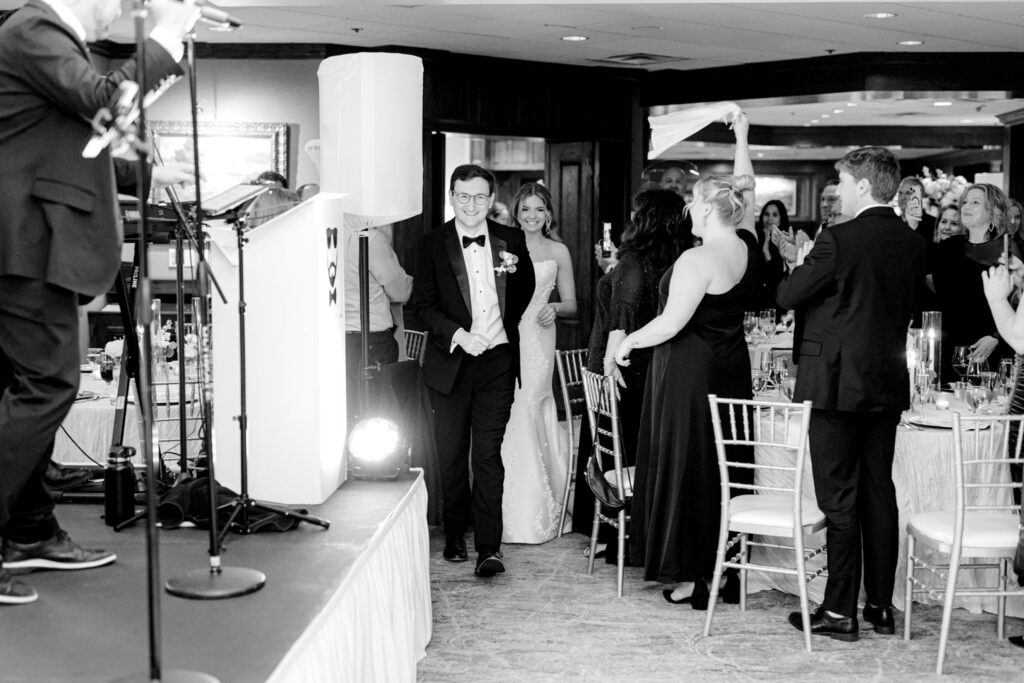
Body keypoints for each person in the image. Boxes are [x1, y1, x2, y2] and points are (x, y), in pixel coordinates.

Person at [0, 0, 199, 605]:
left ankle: (29, 532)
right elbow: (107, 102)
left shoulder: (45, 39)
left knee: (26, 387)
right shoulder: (34, 29)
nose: (124, 8)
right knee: (49, 385)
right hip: (26, 244)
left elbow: (73, 147)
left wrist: (151, 178)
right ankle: (24, 530)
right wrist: (166, 36)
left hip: (32, 243)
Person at [776, 146, 927, 642]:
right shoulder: (911, 242)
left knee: (839, 499)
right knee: (879, 492)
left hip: (836, 384)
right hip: (886, 381)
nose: (837, 191)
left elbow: (787, 295)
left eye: (841, 181)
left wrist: (800, 262)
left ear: (862, 185)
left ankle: (840, 611)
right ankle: (880, 606)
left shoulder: (838, 239)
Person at [614, 112, 757, 608]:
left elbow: (671, 323)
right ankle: (723, 568)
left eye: (694, 201)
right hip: (731, 372)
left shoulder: (698, 259)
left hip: (689, 376)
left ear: (711, 208)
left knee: (689, 469)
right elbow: (747, 187)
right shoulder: (744, 244)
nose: (688, 209)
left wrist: (628, 342)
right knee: (721, 467)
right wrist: (742, 137)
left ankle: (694, 574)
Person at [409, 164, 535, 577]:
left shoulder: (511, 240)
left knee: (486, 455)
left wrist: (500, 325)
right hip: (451, 364)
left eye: (480, 197)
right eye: (463, 196)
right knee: (451, 454)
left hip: (497, 363)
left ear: (491, 199)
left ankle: (488, 547)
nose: (471, 204)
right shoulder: (431, 244)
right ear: (452, 197)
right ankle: (454, 533)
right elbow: (421, 306)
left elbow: (525, 289)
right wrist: (460, 335)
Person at [571, 188, 692, 557]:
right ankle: (640, 531)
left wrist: (609, 364)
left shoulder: (634, 259)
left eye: (636, 213)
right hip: (652, 367)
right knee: (639, 452)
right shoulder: (679, 259)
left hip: (621, 367)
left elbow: (622, 317)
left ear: (647, 219)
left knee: (613, 451)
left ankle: (613, 534)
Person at [499, 183, 577, 544]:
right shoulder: (502, 247)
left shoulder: (558, 251)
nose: (532, 216)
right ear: (517, 213)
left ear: (549, 214)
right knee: (509, 412)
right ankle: (505, 511)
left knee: (530, 407)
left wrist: (555, 307)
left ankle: (540, 510)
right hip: (505, 337)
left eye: (539, 209)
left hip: (539, 339)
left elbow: (572, 304)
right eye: (526, 209)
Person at [931, 184, 1015, 384]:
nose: (966, 207)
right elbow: (939, 300)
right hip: (950, 349)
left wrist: (996, 337)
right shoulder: (947, 248)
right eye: (965, 202)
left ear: (993, 211)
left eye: (975, 202)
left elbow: (1018, 303)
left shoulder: (1008, 251)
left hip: (991, 348)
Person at [343, 224, 413, 424]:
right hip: (372, 340)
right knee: (379, 413)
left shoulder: (324, 232)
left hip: (335, 337)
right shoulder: (370, 239)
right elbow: (401, 291)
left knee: (346, 410)